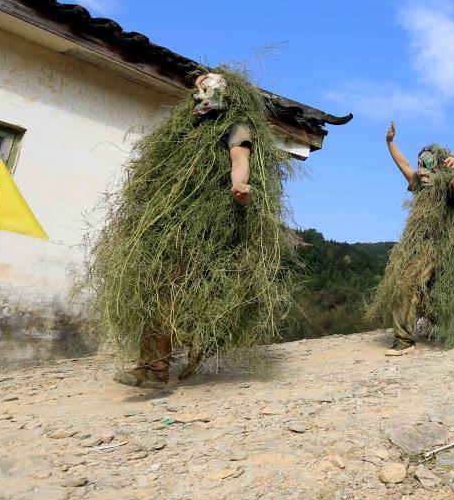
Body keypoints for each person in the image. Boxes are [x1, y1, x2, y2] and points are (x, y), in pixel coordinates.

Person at [86, 69, 299, 389]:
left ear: (225, 95)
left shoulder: (236, 126)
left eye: (206, 90)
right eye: (197, 91)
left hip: (210, 227)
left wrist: (240, 185)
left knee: (184, 292)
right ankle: (154, 367)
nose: (199, 96)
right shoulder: (186, 129)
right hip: (172, 222)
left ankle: (188, 351)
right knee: (158, 289)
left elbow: (240, 159)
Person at [367, 122, 454, 355]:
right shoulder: (419, 185)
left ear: (439, 168)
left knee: (409, 285)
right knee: (417, 290)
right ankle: (412, 337)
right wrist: (390, 142)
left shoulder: (446, 188)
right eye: (420, 165)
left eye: (427, 165)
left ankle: (406, 341)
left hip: (438, 248)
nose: (422, 170)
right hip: (417, 246)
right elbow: (402, 164)